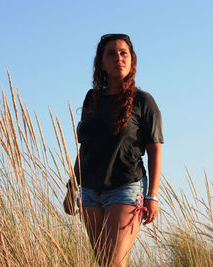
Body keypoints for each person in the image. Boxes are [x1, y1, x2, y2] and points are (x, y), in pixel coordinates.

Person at [64, 33, 163, 267]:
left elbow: (155, 150)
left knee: (113, 262)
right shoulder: (92, 99)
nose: (118, 58)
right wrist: (72, 186)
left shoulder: (143, 101)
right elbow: (84, 148)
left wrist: (153, 196)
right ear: (101, 62)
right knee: (103, 262)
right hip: (90, 191)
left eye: (123, 53)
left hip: (126, 187)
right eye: (111, 53)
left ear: (132, 59)